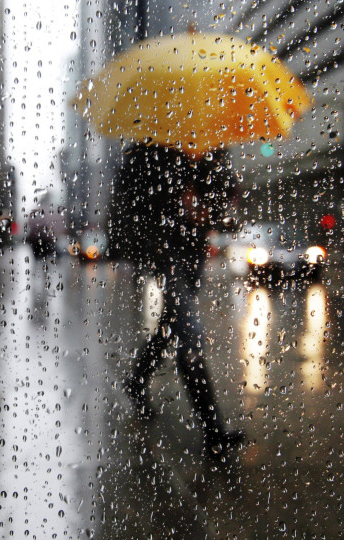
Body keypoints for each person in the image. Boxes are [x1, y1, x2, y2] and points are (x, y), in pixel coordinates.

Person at [108, 142, 246, 457]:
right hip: (164, 248)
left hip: (194, 247)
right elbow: (128, 201)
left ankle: (136, 380)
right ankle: (214, 433)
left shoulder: (212, 141)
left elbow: (224, 192)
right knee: (189, 334)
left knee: (171, 326)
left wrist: (210, 191)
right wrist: (174, 195)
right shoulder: (147, 144)